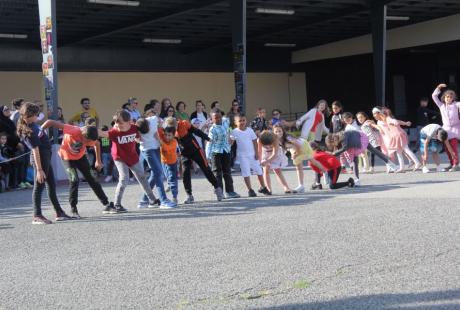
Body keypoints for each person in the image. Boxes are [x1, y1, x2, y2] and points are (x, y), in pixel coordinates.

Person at [41, 119, 116, 217]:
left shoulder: (91, 137)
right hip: (67, 157)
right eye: (87, 141)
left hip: (80, 157)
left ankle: (106, 204)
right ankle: (73, 209)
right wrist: (39, 132)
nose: (89, 143)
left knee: (92, 179)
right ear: (83, 134)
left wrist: (98, 161)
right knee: (74, 180)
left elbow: (97, 144)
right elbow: (50, 122)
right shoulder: (73, 130)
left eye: (90, 142)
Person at [17, 102, 70, 224]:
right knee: (39, 186)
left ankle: (59, 212)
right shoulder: (28, 130)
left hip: (46, 157)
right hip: (40, 158)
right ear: (29, 115)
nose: (38, 116)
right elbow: (35, 150)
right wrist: (40, 170)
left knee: (51, 184)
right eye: (36, 114)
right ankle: (37, 215)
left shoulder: (33, 124)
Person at [98, 110, 158, 212]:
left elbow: (143, 129)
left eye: (120, 122)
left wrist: (140, 140)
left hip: (132, 156)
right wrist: (88, 129)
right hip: (119, 157)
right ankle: (116, 204)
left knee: (142, 177)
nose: (117, 125)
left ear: (129, 122)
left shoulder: (134, 128)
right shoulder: (114, 132)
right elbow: (102, 133)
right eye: (116, 122)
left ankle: (153, 200)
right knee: (124, 178)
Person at [172, 115, 224, 203]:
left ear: (177, 122)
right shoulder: (169, 130)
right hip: (184, 153)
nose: (174, 128)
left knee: (206, 168)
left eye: (175, 126)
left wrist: (207, 138)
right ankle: (189, 195)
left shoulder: (184, 124)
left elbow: (196, 131)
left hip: (195, 150)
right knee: (185, 173)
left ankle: (217, 188)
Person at [136, 116, 176, 208]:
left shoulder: (153, 120)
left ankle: (144, 200)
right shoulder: (135, 127)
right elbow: (134, 137)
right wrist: (137, 139)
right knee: (158, 173)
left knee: (155, 174)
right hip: (147, 150)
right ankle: (163, 200)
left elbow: (160, 120)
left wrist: (161, 126)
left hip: (156, 148)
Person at [230, 114, 270, 197]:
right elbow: (231, 143)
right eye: (240, 121)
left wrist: (256, 153)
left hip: (252, 155)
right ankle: (250, 190)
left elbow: (255, 141)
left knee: (259, 171)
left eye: (243, 120)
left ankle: (263, 187)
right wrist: (229, 138)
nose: (242, 122)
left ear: (246, 121)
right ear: (235, 122)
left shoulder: (250, 130)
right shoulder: (234, 132)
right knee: (246, 173)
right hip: (242, 156)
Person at [371, 107, 421, 173]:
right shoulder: (384, 120)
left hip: (399, 135)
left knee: (406, 149)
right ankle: (402, 168)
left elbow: (395, 121)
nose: (378, 116)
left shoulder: (388, 119)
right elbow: (398, 121)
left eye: (380, 114)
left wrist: (396, 123)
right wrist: (405, 123)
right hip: (395, 137)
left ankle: (417, 163)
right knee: (399, 152)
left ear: (382, 114)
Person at [208, 108, 240, 199]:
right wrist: (208, 156)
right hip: (216, 152)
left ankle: (230, 191)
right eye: (216, 118)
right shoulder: (212, 130)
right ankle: (220, 192)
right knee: (217, 172)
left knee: (227, 171)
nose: (218, 119)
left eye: (219, 117)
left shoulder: (226, 121)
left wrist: (231, 136)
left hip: (226, 150)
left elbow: (229, 128)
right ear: (212, 119)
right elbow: (209, 143)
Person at [432, 84, 460, 171]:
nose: (448, 98)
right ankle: (451, 163)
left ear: (453, 98)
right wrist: (438, 87)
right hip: (446, 130)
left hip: (455, 129)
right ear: (444, 98)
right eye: (447, 97)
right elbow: (434, 96)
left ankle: (456, 164)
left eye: (450, 97)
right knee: (447, 149)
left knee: (453, 148)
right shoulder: (441, 106)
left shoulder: (456, 104)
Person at [258, 127, 295, 194]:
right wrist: (260, 161)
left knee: (277, 171)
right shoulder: (259, 140)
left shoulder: (275, 140)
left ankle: (286, 187)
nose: (268, 146)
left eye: (269, 145)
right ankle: (268, 189)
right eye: (265, 145)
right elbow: (259, 152)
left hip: (274, 154)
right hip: (265, 153)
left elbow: (274, 154)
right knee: (266, 171)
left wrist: (267, 161)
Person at [157, 122, 180, 205]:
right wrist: (158, 125)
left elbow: (166, 148)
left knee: (172, 179)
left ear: (173, 135)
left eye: (169, 135)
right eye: (166, 135)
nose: (167, 137)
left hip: (172, 163)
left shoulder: (174, 142)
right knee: (167, 177)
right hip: (163, 162)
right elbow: (159, 132)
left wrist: (161, 142)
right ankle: (169, 185)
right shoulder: (163, 137)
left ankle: (174, 197)